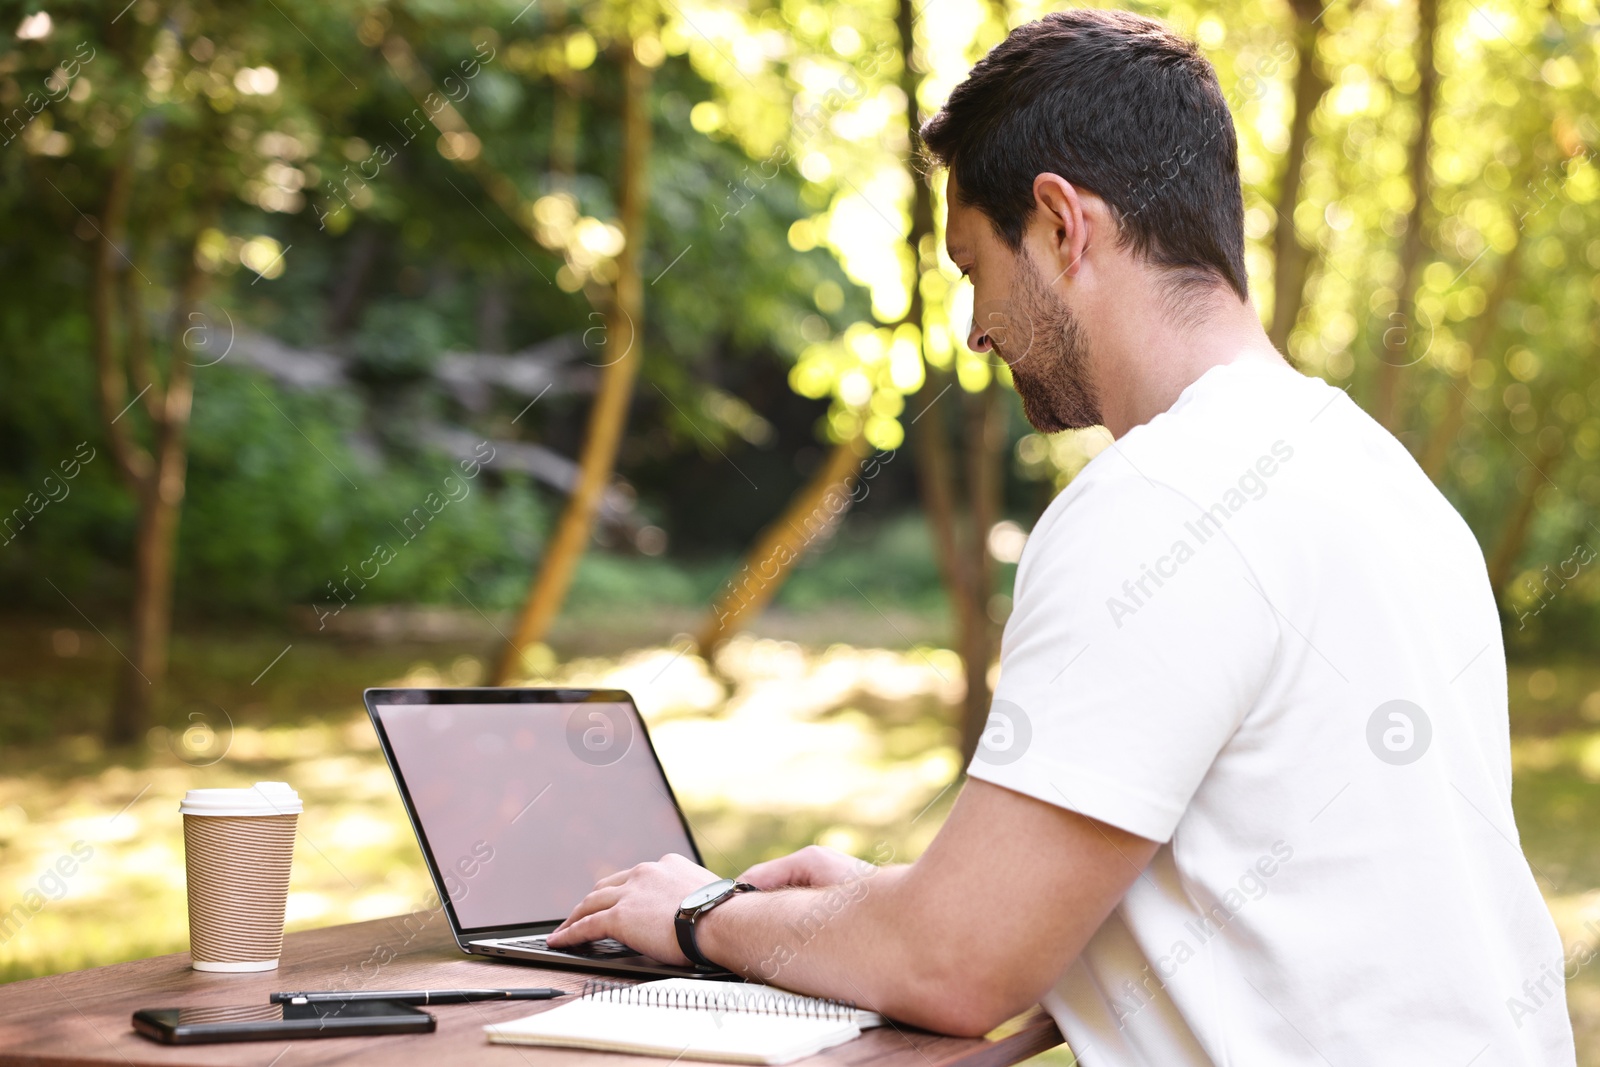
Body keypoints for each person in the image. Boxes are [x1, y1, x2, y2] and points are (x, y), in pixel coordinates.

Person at [550, 9, 1577, 1063]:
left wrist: (695, 912)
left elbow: (956, 969)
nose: (975, 328)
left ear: (1059, 224)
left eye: (971, 268)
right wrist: (881, 901)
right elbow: (1226, 874)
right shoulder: (1373, 473)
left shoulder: (1163, 500)